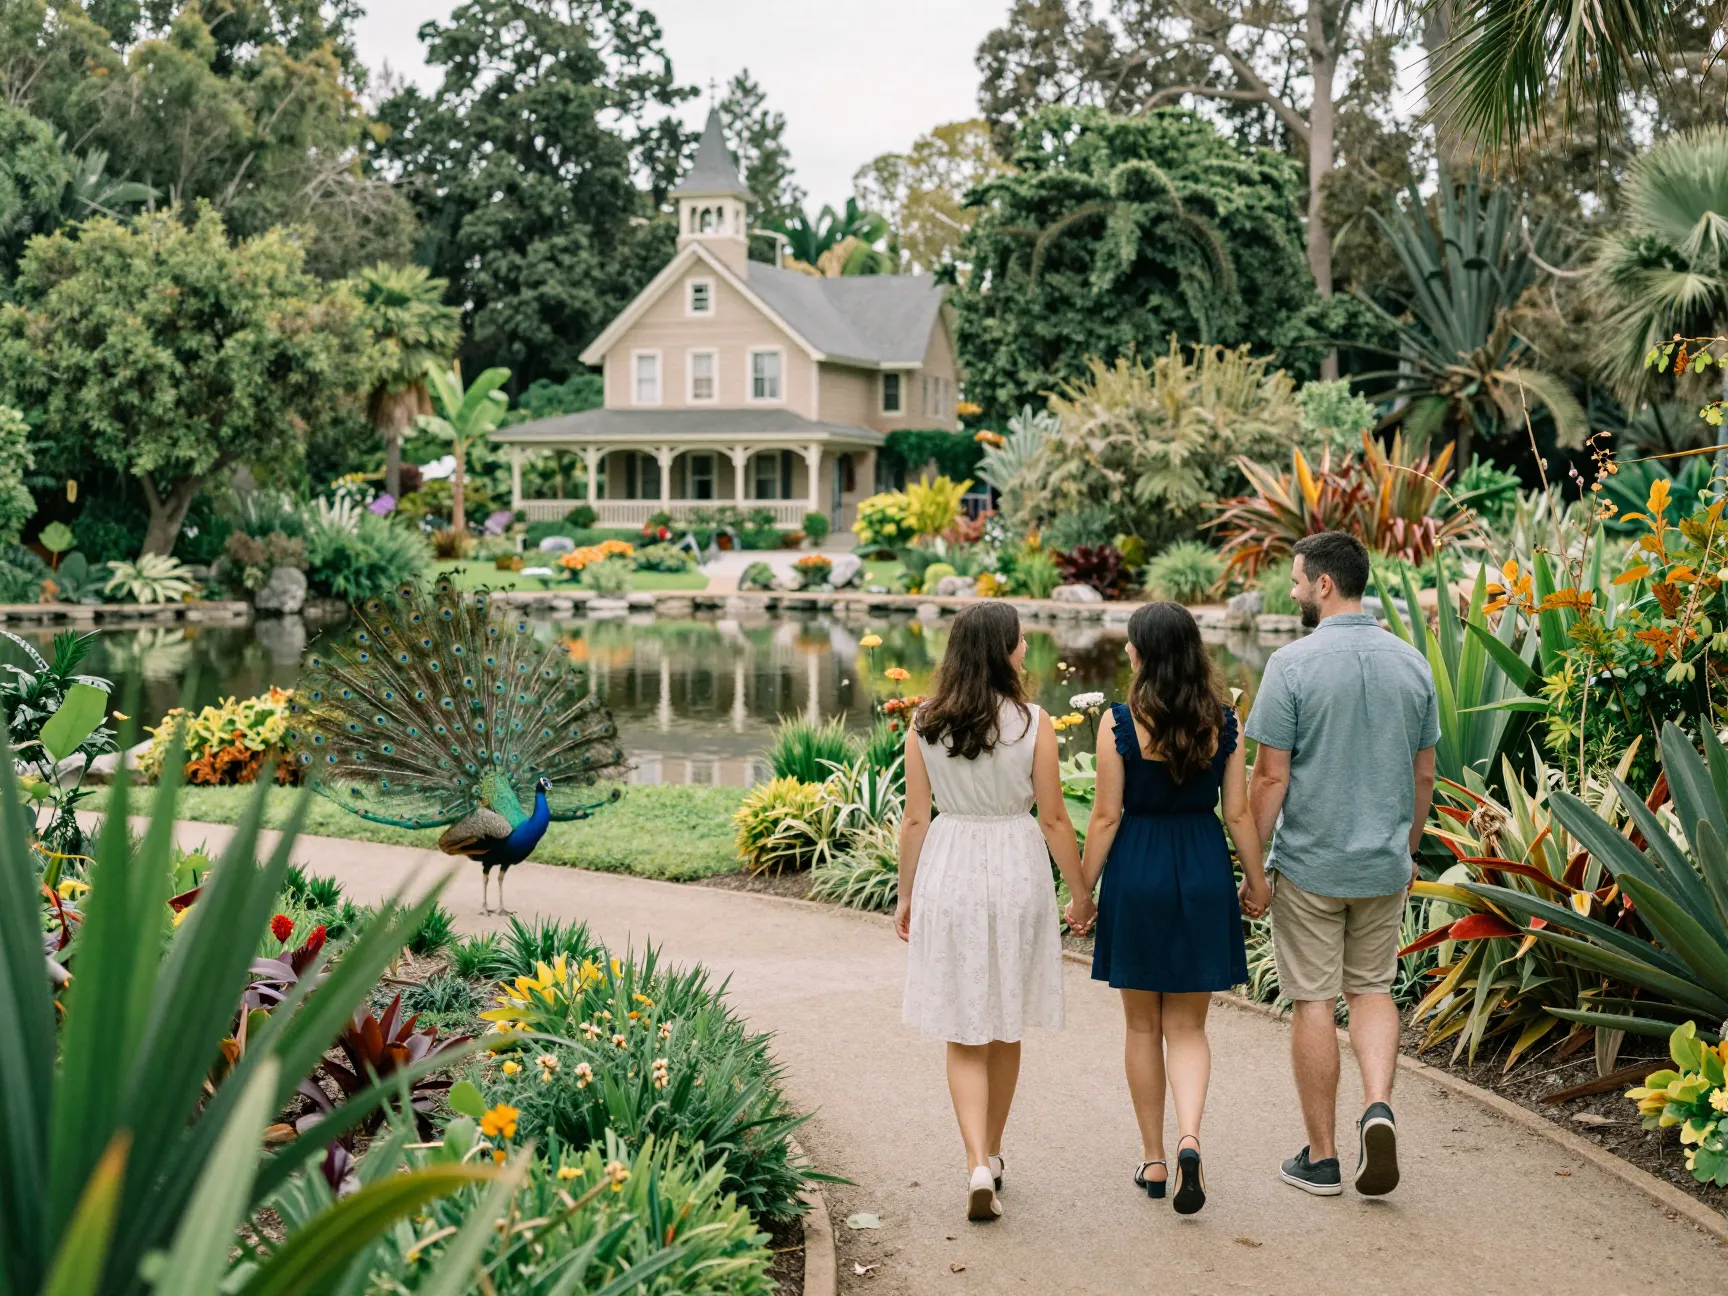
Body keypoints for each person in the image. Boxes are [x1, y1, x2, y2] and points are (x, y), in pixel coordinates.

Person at [1245, 531, 1438, 1199]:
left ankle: (1323, 1158)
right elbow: (1424, 774)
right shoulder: (1412, 664)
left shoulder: (1291, 665)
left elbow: (1269, 779)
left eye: (1298, 580)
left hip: (1310, 865)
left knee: (1314, 1002)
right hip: (1382, 863)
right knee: (1373, 991)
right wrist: (1407, 850)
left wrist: (1252, 867)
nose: (1294, 592)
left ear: (1324, 583)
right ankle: (1377, 1105)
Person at [1070, 602, 1268, 1216]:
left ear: (1141, 654)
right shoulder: (1224, 721)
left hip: (1138, 870)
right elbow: (1237, 812)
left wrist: (1080, 892)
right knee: (1188, 1028)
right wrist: (1257, 882)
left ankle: (1154, 1160)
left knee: (1141, 1027)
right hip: (1204, 868)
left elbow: (1104, 816)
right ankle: (1190, 1138)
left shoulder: (1120, 724)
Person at [898, 601, 1091, 1223]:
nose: (1025, 653)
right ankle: (997, 1152)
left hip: (951, 866)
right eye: (1020, 643)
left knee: (963, 1027)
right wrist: (1082, 889)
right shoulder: (1034, 723)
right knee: (1005, 1022)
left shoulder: (925, 721)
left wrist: (904, 896)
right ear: (1002, 651)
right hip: (1015, 864)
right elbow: (1056, 818)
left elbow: (915, 818)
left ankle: (977, 1159)